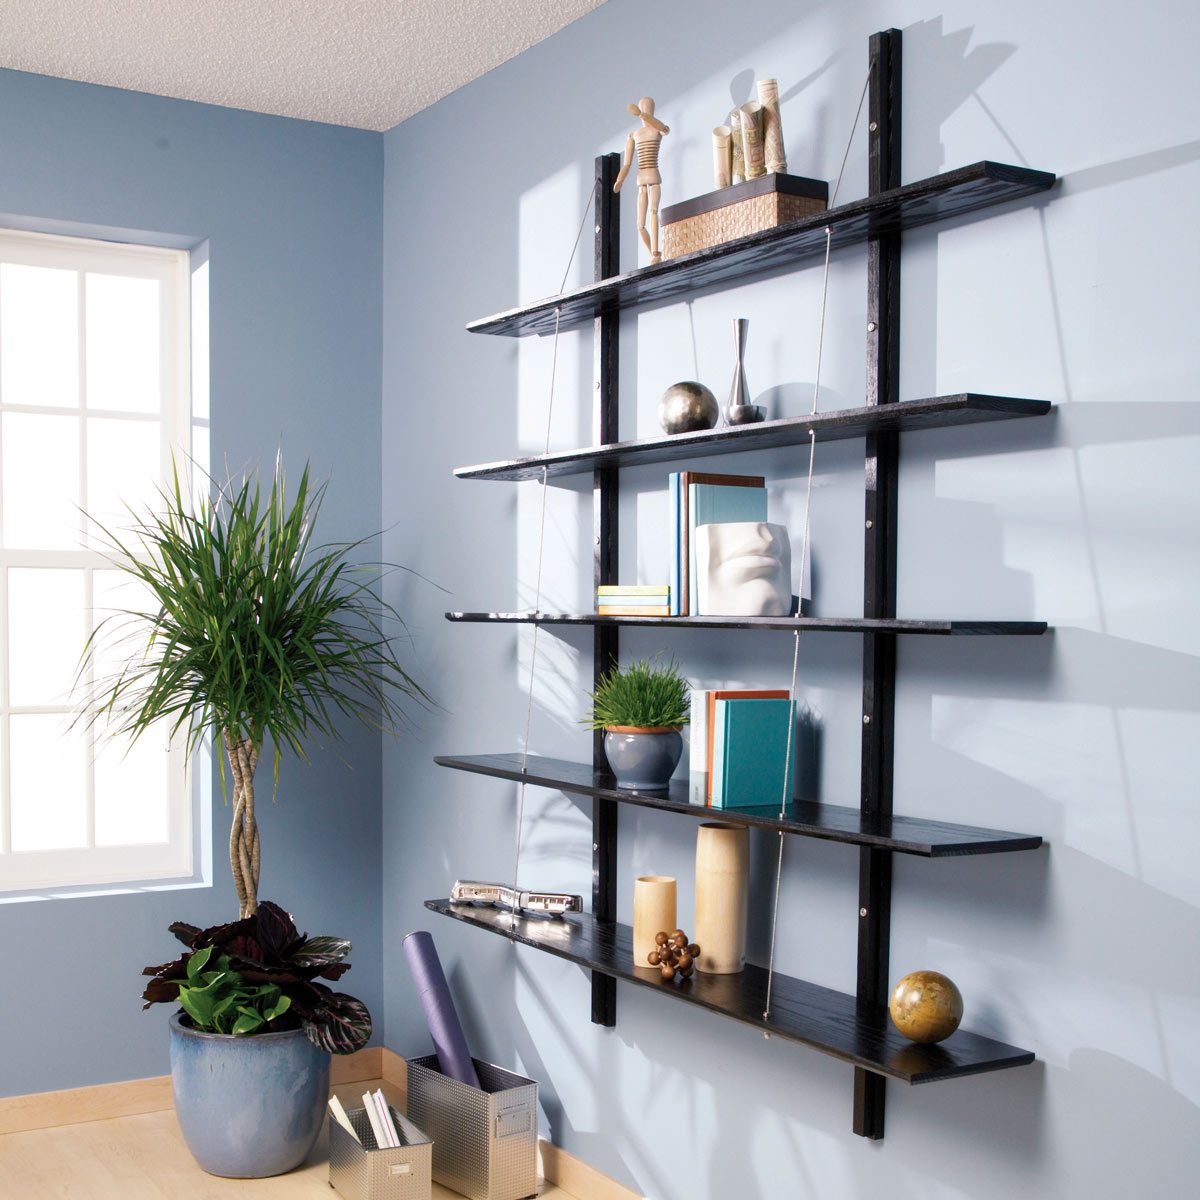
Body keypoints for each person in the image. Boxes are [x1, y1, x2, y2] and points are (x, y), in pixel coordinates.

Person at [614, 98, 670, 263]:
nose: (646, 112)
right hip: (641, 178)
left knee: (653, 211)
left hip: (653, 176)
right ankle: (653, 253)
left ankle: (655, 253)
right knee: (640, 224)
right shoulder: (634, 135)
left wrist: (642, 115)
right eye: (643, 109)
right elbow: (627, 164)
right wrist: (620, 180)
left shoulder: (657, 130)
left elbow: (664, 128)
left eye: (648, 109)